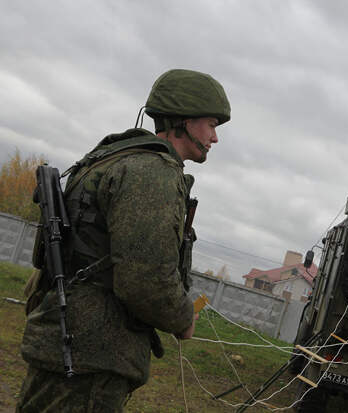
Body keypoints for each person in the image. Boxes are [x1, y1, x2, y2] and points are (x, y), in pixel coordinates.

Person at [17, 69, 231, 412]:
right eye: (211, 124)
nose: (215, 137)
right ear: (184, 121)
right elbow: (145, 278)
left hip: (69, 338)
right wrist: (182, 319)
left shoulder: (117, 158)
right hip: (92, 354)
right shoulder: (152, 173)